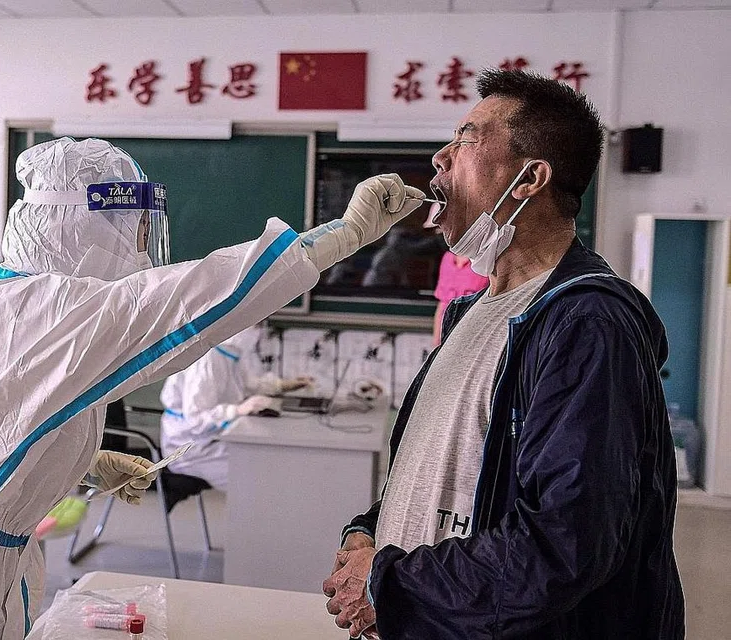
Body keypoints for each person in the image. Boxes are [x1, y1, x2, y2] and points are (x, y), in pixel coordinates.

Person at [0, 137, 424, 640]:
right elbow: (197, 296)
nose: (142, 245)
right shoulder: (52, 310)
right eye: (133, 227)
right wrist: (343, 234)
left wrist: (80, 464)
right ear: (87, 225)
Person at [323, 70, 684, 639]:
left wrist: (391, 582)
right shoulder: (471, 313)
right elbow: (450, 475)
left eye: (466, 138)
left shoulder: (586, 324)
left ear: (529, 179)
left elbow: (566, 546)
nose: (440, 157)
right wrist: (370, 532)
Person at [159, 325, 310, 489]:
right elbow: (196, 420)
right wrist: (237, 410)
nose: (259, 330)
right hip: (189, 449)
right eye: (255, 323)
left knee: (269, 462)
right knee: (260, 476)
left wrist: (284, 385)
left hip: (213, 438)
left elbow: (248, 384)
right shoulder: (206, 358)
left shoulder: (230, 352)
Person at [431, 251, 489, 347]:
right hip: (446, 330)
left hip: (472, 332)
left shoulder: (485, 260)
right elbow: (442, 303)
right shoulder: (447, 258)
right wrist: (436, 339)